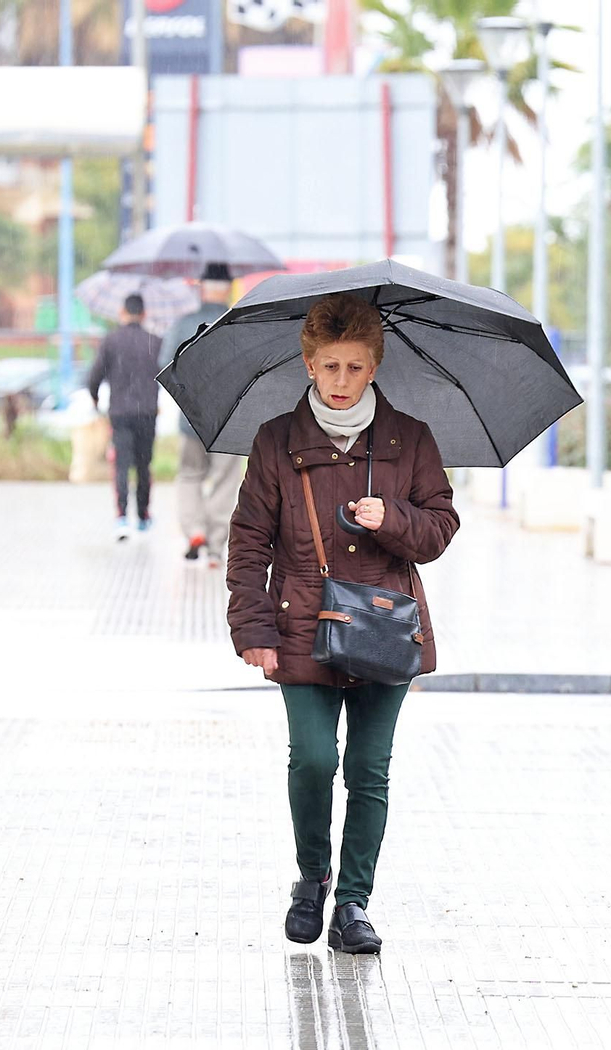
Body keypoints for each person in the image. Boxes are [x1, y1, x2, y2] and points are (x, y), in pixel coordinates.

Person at [226, 293, 459, 955]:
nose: (341, 380)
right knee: (313, 759)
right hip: (301, 626)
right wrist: (253, 630)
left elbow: (440, 528)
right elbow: (249, 543)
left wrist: (396, 520)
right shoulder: (276, 440)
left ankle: (353, 902)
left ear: (374, 366)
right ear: (308, 364)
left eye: (355, 367)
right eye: (329, 366)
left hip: (386, 628)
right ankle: (311, 878)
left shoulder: (409, 438)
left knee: (368, 767)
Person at [161, 263, 245, 566]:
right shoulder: (238, 322)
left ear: (202, 287)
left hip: (190, 417)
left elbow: (164, 364)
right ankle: (214, 545)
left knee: (189, 475)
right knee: (225, 480)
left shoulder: (184, 324)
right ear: (227, 287)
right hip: (229, 418)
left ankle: (194, 530)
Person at [89, 293, 162, 540]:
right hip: (147, 412)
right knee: (144, 465)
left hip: (119, 413)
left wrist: (95, 398)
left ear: (123, 312)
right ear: (144, 314)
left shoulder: (111, 341)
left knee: (121, 465)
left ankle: (121, 518)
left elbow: (94, 376)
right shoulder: (155, 341)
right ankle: (143, 516)